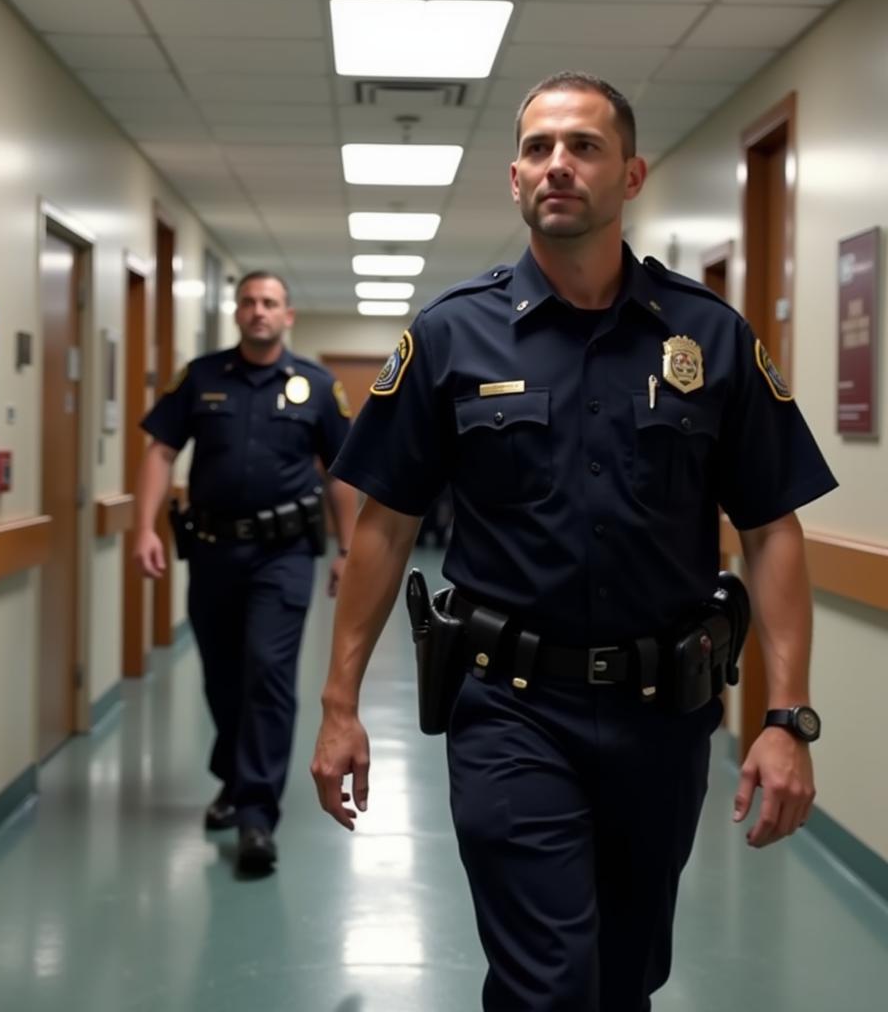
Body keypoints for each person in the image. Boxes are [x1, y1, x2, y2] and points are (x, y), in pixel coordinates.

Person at [311, 72, 836, 1010]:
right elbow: (385, 526)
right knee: (548, 984)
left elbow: (771, 528)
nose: (560, 164)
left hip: (663, 716)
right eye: (540, 148)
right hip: (509, 710)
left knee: (626, 979)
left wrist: (786, 715)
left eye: (585, 146)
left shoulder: (709, 339)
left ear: (630, 175)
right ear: (514, 177)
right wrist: (340, 703)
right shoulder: (449, 336)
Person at [134, 270, 356, 876]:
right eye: (250, 302)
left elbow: (340, 473)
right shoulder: (202, 378)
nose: (259, 311)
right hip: (211, 550)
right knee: (222, 676)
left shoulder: (316, 386)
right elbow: (159, 449)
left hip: (283, 556)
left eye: (271, 303)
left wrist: (347, 550)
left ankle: (256, 814)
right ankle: (235, 777)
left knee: (268, 673)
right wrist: (144, 526)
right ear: (237, 313)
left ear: (288, 317)